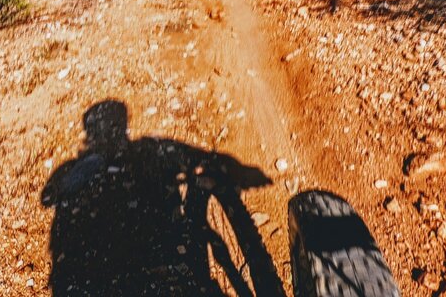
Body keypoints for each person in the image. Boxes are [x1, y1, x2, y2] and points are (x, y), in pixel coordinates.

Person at [41, 100, 285, 296]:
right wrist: (240, 171)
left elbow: (49, 196)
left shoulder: (76, 170)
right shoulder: (146, 150)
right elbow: (193, 156)